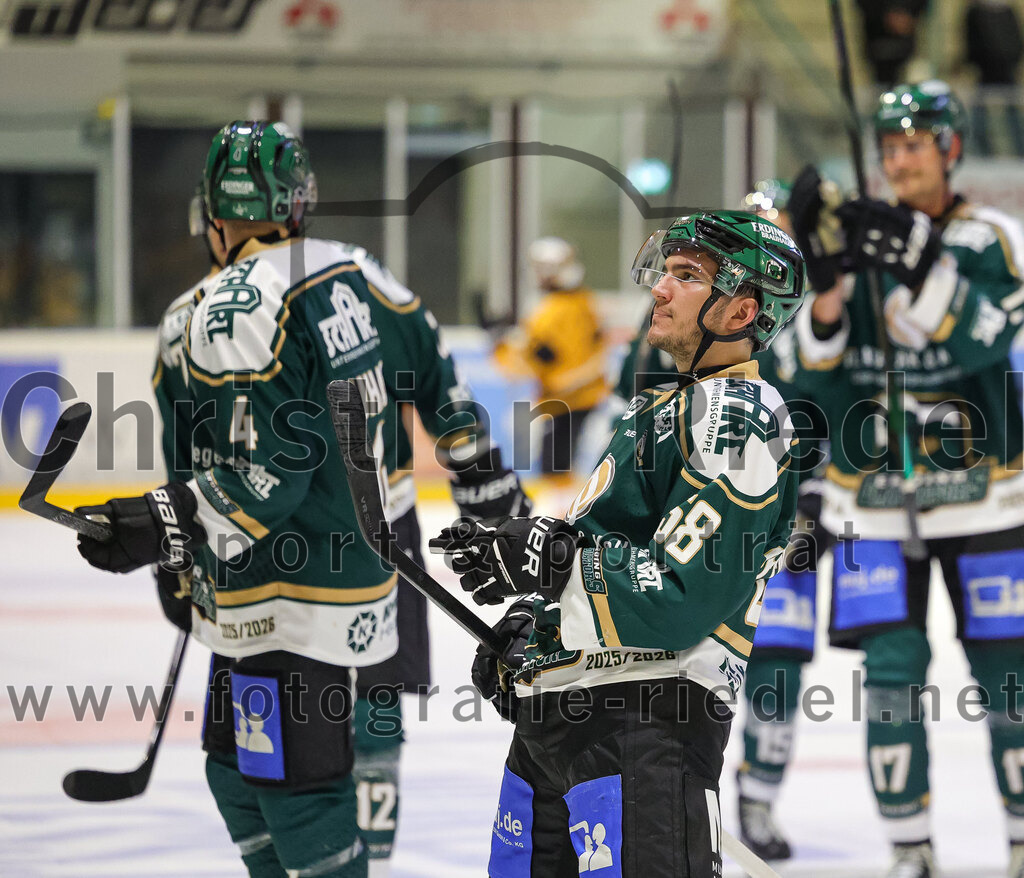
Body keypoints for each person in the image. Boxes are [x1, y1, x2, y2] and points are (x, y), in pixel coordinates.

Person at [81, 120, 528, 878]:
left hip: (273, 569)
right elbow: (447, 397)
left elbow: (222, 472)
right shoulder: (365, 273)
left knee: (284, 771)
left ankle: (345, 860)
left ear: (211, 217)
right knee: (361, 719)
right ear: (299, 203)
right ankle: (367, 854)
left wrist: (173, 547)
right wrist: (495, 506)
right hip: (386, 543)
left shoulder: (198, 316)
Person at [432, 210, 806, 875]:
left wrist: (554, 565)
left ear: (743, 309)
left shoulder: (740, 414)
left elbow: (682, 593)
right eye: (665, 271)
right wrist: (537, 633)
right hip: (565, 726)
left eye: (687, 276)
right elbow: (609, 549)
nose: (659, 288)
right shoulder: (664, 407)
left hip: (645, 723)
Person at [789, 80, 1024, 878]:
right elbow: (811, 387)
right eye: (887, 148)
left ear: (951, 148)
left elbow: (991, 344)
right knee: (889, 682)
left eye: (914, 144)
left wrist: (926, 269)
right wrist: (826, 296)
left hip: (987, 493)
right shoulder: (859, 240)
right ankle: (908, 852)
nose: (896, 160)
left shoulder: (993, 239)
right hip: (874, 503)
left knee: (1010, 681)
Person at [493, 236, 609, 477]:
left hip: (568, 402)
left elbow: (520, 366)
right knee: (563, 469)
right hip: (581, 399)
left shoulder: (553, 311)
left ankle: (566, 512)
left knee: (557, 470)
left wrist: (499, 346)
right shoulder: (582, 302)